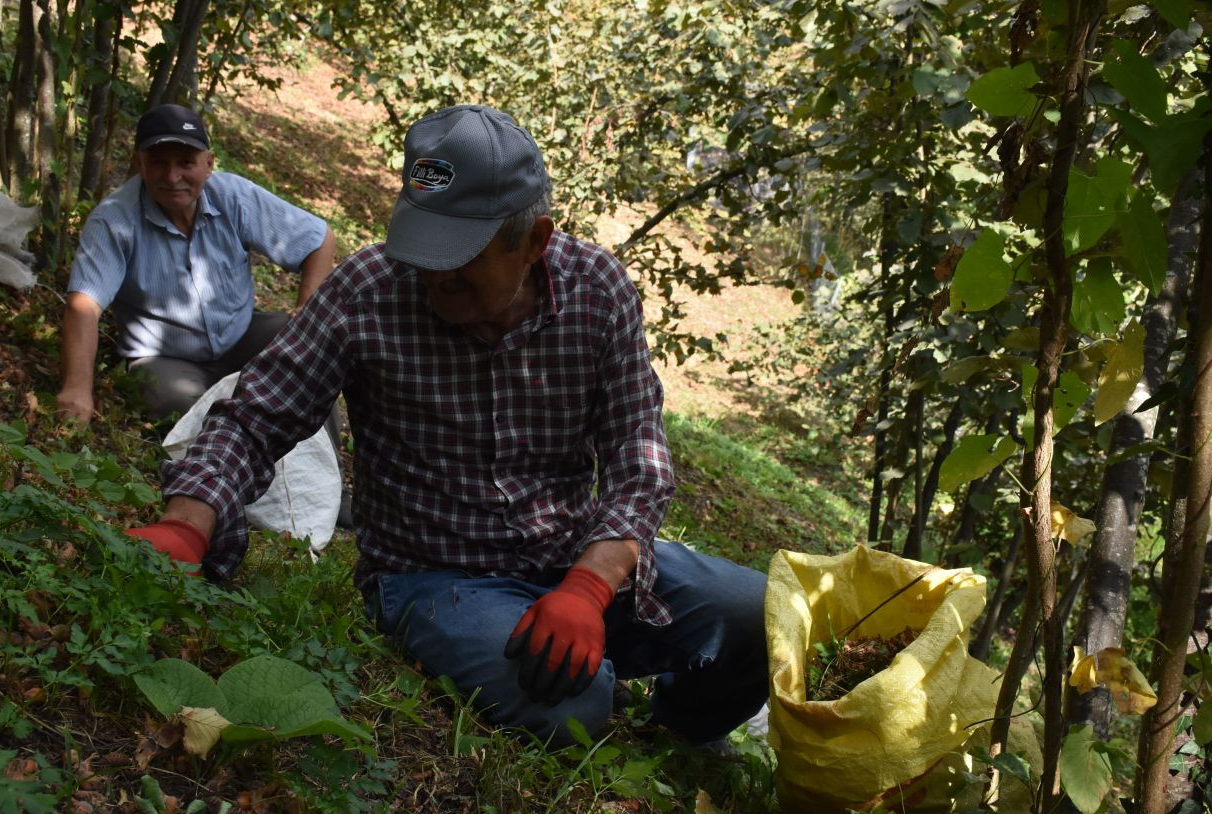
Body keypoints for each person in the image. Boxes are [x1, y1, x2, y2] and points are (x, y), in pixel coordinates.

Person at [128, 104, 767, 746]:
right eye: (424, 247)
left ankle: (683, 727)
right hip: (435, 575)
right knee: (570, 701)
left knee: (761, 615)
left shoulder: (596, 293)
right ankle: (590, 677)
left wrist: (589, 583)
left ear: (535, 241)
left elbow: (639, 462)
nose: (436, 275)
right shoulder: (369, 291)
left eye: (461, 257)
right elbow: (259, 414)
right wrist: (188, 522)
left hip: (571, 553)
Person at [56, 103, 337, 424]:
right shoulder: (115, 220)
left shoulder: (233, 196)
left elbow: (318, 239)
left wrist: (307, 308)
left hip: (242, 337)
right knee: (184, 408)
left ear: (208, 164)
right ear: (139, 164)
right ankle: (235, 458)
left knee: (312, 351)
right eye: (158, 163)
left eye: (186, 163)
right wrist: (77, 387)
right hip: (164, 359)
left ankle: (325, 468)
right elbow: (83, 305)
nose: (173, 177)